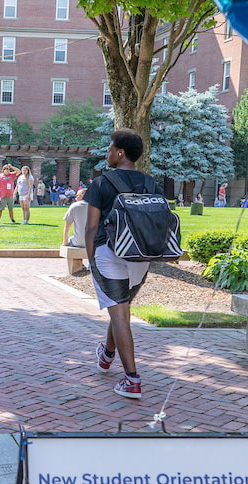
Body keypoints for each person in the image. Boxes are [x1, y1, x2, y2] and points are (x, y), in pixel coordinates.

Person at [85, 128, 164, 400]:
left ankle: (132, 379)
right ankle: (106, 355)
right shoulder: (150, 183)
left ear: (120, 153)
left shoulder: (101, 184)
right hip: (141, 257)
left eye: (110, 149)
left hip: (109, 253)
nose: (107, 154)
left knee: (119, 313)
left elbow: (91, 227)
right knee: (120, 307)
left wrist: (90, 258)